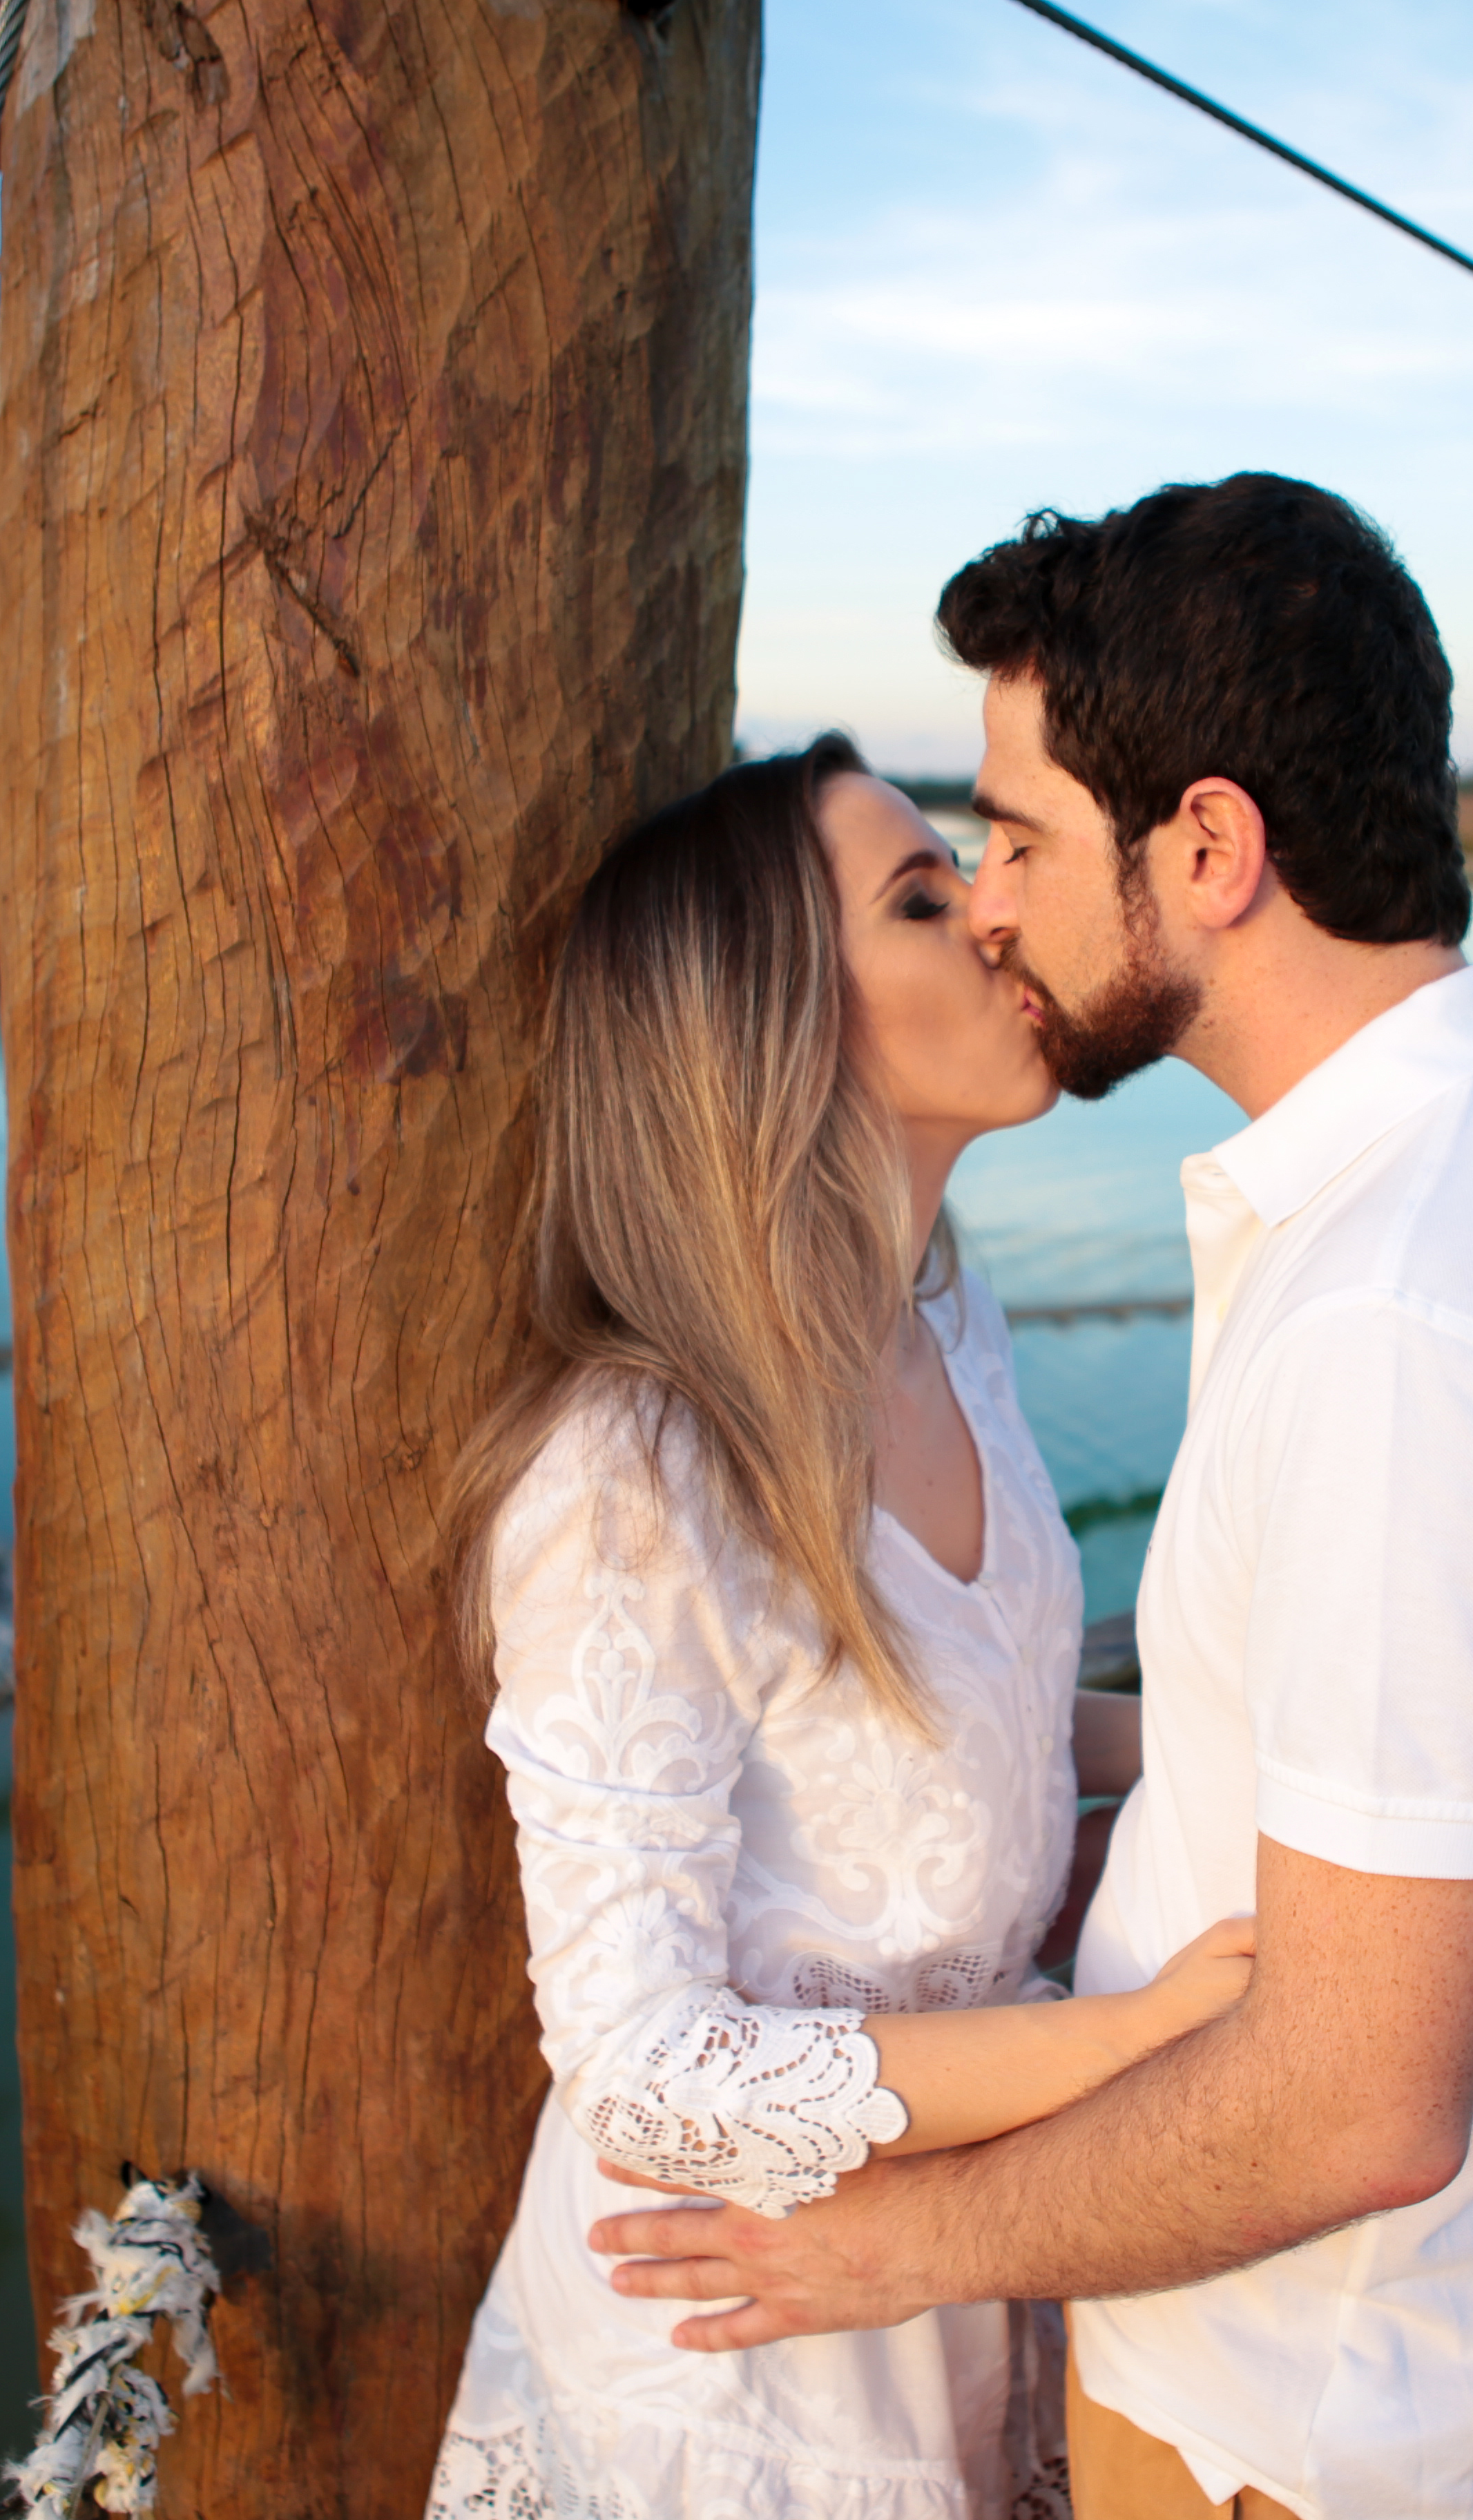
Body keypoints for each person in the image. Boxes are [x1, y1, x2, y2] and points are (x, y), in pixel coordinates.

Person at [590, 475, 1473, 2520]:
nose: (999, 903)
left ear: (1209, 847)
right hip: (1350, 2392)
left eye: (1018, 839)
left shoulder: (1409, 1310)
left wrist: (891, 2252)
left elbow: (1354, 2107)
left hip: (1295, 2424)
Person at [423, 734, 1258, 2519]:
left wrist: (1280, 1769)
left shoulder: (947, 1321)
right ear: (772, 1023)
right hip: (740, 2365)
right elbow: (641, 2068)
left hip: (963, 2269)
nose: (997, 914)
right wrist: (1129, 2046)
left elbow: (1008, 1719)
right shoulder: (635, 1478)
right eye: (921, 899)